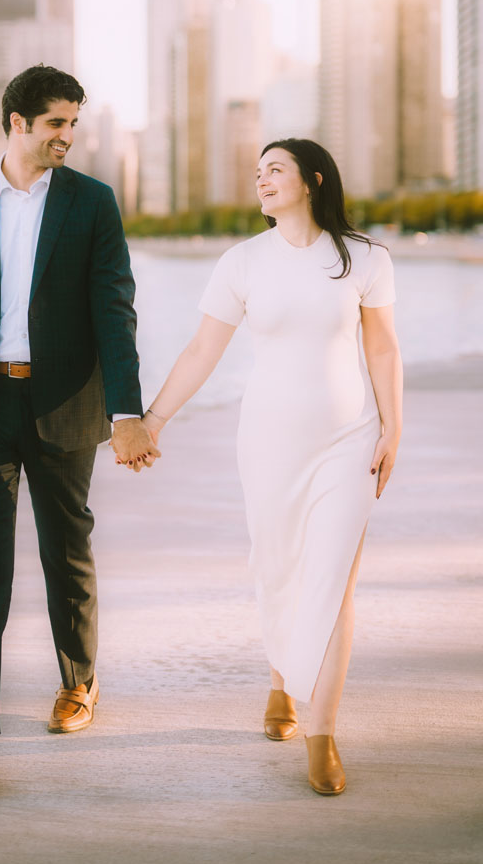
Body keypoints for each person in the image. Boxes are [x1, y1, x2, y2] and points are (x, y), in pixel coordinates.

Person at [0, 64, 158, 798]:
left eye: (74, 124)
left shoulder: (92, 202)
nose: (68, 136)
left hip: (64, 406)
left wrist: (126, 415)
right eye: (56, 123)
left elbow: (115, 312)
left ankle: (78, 682)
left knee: (67, 552)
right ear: (17, 122)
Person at [135, 138, 402, 796]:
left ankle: (322, 734)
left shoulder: (364, 259)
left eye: (275, 169)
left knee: (333, 580)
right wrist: (152, 419)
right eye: (257, 173)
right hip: (269, 443)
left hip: (348, 438)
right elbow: (202, 350)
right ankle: (281, 682)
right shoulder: (242, 262)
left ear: (312, 180)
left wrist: (395, 425)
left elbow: (383, 347)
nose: (263, 179)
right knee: (280, 568)